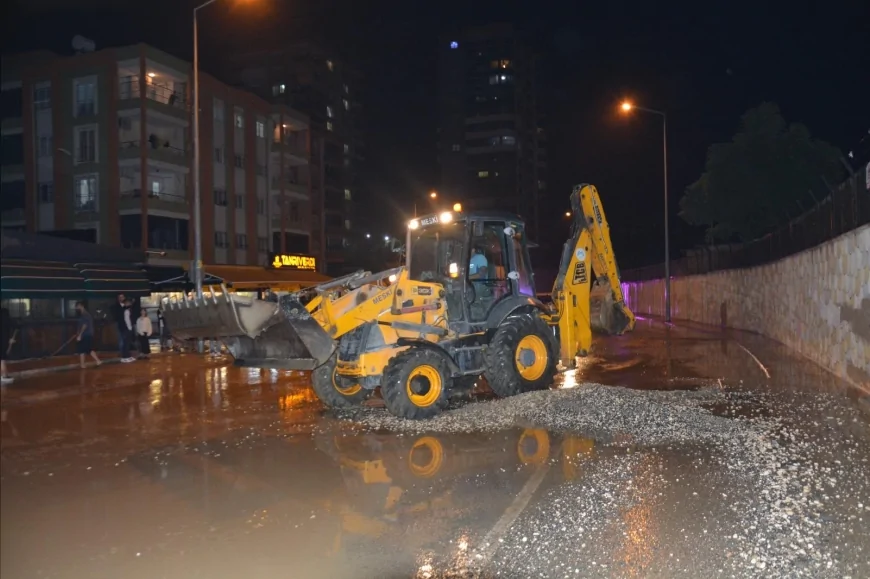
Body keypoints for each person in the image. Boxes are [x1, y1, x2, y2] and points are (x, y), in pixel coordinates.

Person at [74, 301, 102, 369]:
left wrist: (80, 335)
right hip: (86, 334)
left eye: (77, 307)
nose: (76, 308)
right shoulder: (84, 314)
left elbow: (84, 325)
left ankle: (95, 361)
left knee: (85, 350)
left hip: (86, 335)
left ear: (81, 306)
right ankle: (84, 364)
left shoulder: (85, 315)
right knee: (85, 349)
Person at [1, 307, 18, 385]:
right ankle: (4, 375)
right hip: (4, 340)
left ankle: (4, 375)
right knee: (2, 359)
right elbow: (15, 325)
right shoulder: (6, 317)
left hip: (4, 340)